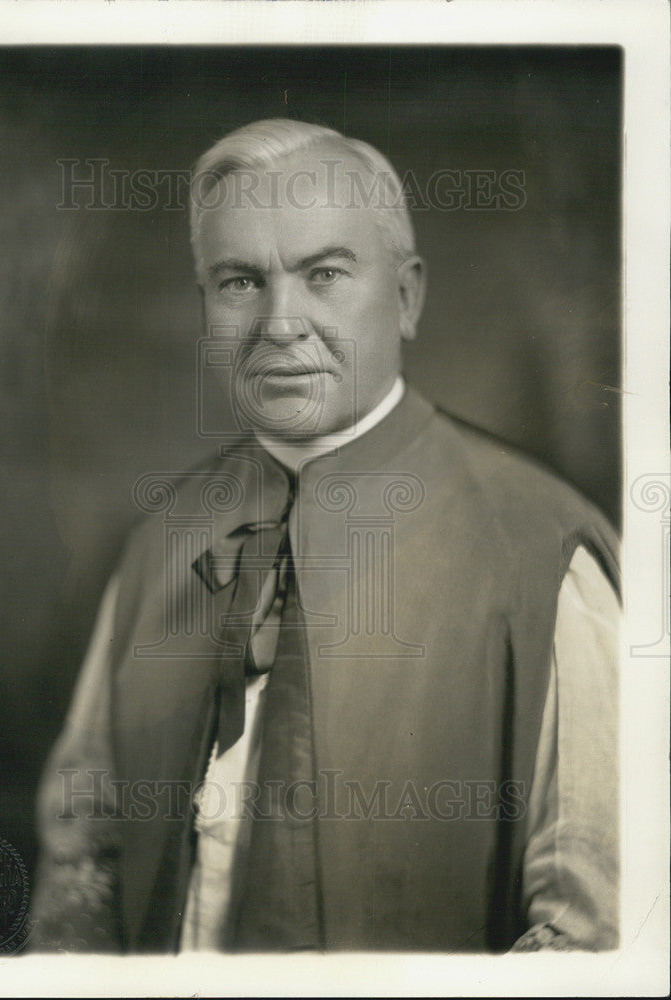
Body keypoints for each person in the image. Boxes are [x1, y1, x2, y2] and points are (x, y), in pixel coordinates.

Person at [30, 118, 620, 953]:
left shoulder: (544, 554)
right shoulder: (162, 541)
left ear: (407, 296)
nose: (279, 322)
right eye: (239, 281)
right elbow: (83, 853)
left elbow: (596, 938)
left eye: (325, 274)